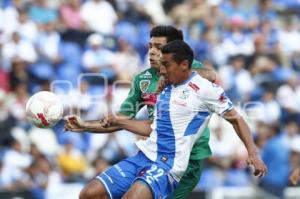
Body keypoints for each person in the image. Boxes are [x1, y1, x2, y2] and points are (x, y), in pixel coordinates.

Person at [73, 40, 267, 199]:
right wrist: (118, 121)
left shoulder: (206, 89)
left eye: (166, 65)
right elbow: (152, 127)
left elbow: (237, 119)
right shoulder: (164, 88)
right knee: (89, 194)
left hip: (168, 165)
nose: (162, 70)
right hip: (143, 156)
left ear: (184, 65)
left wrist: (253, 152)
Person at [65, 25, 216, 199]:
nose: (151, 52)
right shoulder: (142, 79)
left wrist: (174, 74)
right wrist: (84, 125)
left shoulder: (186, 69)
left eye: (158, 48)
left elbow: (211, 75)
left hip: (186, 161)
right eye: (150, 46)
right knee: (90, 194)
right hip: (152, 153)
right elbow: (120, 120)